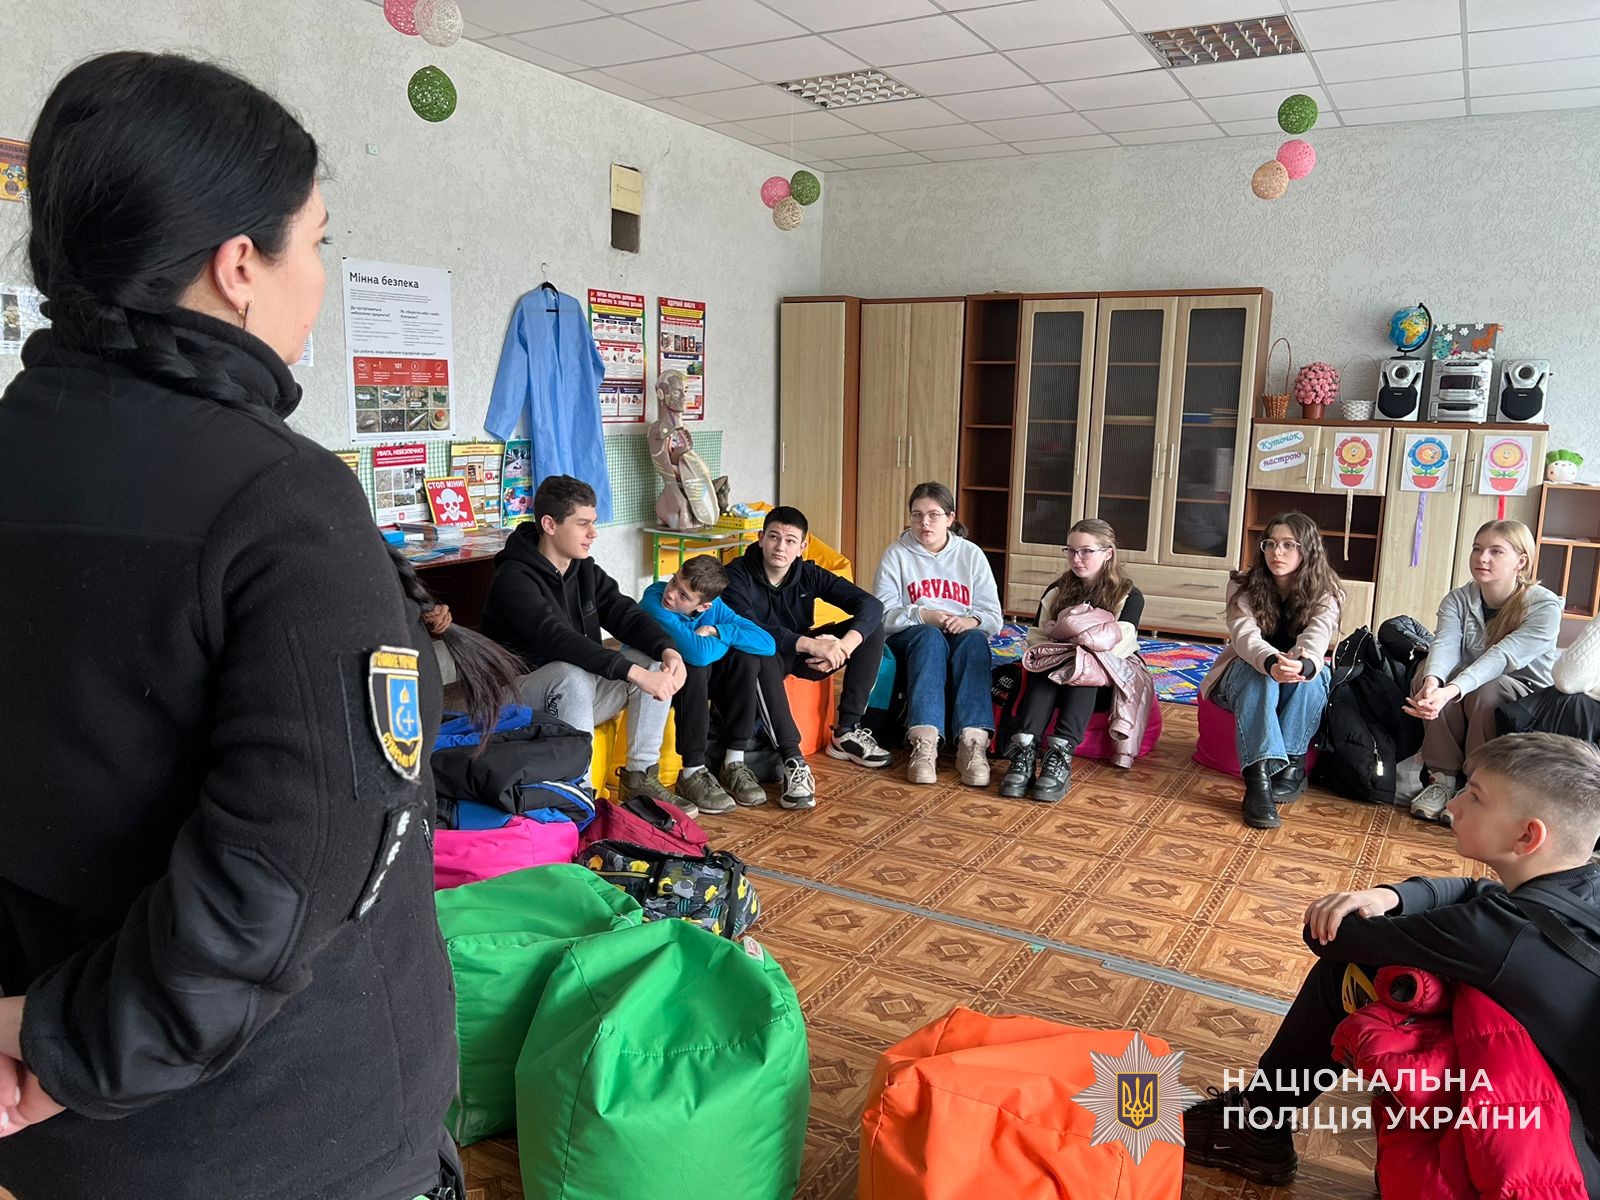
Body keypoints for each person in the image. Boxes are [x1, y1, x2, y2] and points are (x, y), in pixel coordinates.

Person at [0, 51, 514, 1198]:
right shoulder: (279, 499)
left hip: (53, 1135)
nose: (317, 275)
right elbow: (292, 861)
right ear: (239, 266)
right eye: (316, 240)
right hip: (285, 1136)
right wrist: (74, 1049)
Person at [1184, 732, 1600, 1192]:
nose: (1454, 804)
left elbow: (1330, 938)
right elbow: (1477, 891)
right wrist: (1392, 895)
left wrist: (1359, 905)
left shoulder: (1496, 934)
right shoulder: (1583, 885)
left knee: (1353, 975)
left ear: (1527, 835)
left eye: (1475, 797)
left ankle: (1255, 1125)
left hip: (1567, 1163)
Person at [481, 475, 691, 811]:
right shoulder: (513, 580)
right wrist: (633, 673)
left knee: (652, 663)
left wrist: (668, 650)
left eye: (593, 523)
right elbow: (557, 639)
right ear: (550, 525)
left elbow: (625, 614)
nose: (593, 533)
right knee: (571, 673)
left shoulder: (584, 570)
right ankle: (581, 794)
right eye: (583, 524)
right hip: (516, 701)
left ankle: (639, 778)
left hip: (575, 698)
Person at [722, 506, 890, 809]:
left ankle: (847, 731)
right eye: (773, 537)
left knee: (871, 628)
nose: (780, 547)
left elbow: (872, 605)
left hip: (803, 655)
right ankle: (793, 761)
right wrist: (812, 645)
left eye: (790, 541)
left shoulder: (808, 573)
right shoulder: (736, 574)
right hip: (758, 658)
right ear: (760, 538)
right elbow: (749, 627)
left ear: (802, 547)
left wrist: (842, 647)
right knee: (761, 651)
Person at [1404, 520, 1560, 823]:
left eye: (1496, 551)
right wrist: (1433, 683)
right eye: (1477, 549)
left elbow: (1502, 658)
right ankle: (1442, 779)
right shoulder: (1458, 599)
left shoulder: (1544, 606)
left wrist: (1451, 690)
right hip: (1469, 684)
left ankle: (1476, 785)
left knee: (1485, 689)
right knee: (1427, 673)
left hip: (1523, 692)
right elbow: (1445, 644)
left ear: (1521, 561)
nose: (1482, 558)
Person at [1199, 512, 1342, 830]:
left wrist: (1301, 664)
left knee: (1316, 675)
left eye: (1289, 545)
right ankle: (1258, 780)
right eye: (1271, 544)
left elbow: (1317, 636)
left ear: (1308, 550)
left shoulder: (1326, 590)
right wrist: (1270, 663)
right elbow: (1245, 637)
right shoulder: (1242, 585)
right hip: (1244, 676)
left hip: (1294, 677)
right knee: (1259, 677)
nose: (1278, 552)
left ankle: (1292, 764)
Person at [999, 519, 1145, 803]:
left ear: (1108, 553)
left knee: (1085, 668)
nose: (1076, 559)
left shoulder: (1129, 595)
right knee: (1045, 667)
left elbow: (1119, 644)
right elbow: (1037, 636)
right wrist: (1062, 650)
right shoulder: (1057, 590)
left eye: (1086, 551)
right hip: (1056, 665)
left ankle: (1060, 754)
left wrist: (1074, 645)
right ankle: (1025, 750)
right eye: (1070, 551)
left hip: (1103, 676)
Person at [873, 482, 1002, 787]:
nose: (924, 523)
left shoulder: (971, 555)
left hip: (959, 633)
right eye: (917, 515)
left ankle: (972, 744)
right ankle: (924, 743)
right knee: (929, 637)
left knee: (975, 640)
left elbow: (993, 617)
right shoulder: (896, 554)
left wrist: (971, 620)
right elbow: (882, 616)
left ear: (950, 518)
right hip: (911, 638)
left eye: (933, 515)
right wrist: (923, 615)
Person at [640, 554, 775, 814]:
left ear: (704, 606)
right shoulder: (654, 600)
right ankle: (692, 772)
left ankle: (734, 762)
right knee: (693, 665)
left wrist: (717, 631)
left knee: (747, 659)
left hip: (700, 681)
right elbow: (698, 654)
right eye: (674, 581)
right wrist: (722, 641)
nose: (671, 593)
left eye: (683, 595)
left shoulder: (716, 608)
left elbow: (767, 644)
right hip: (659, 681)